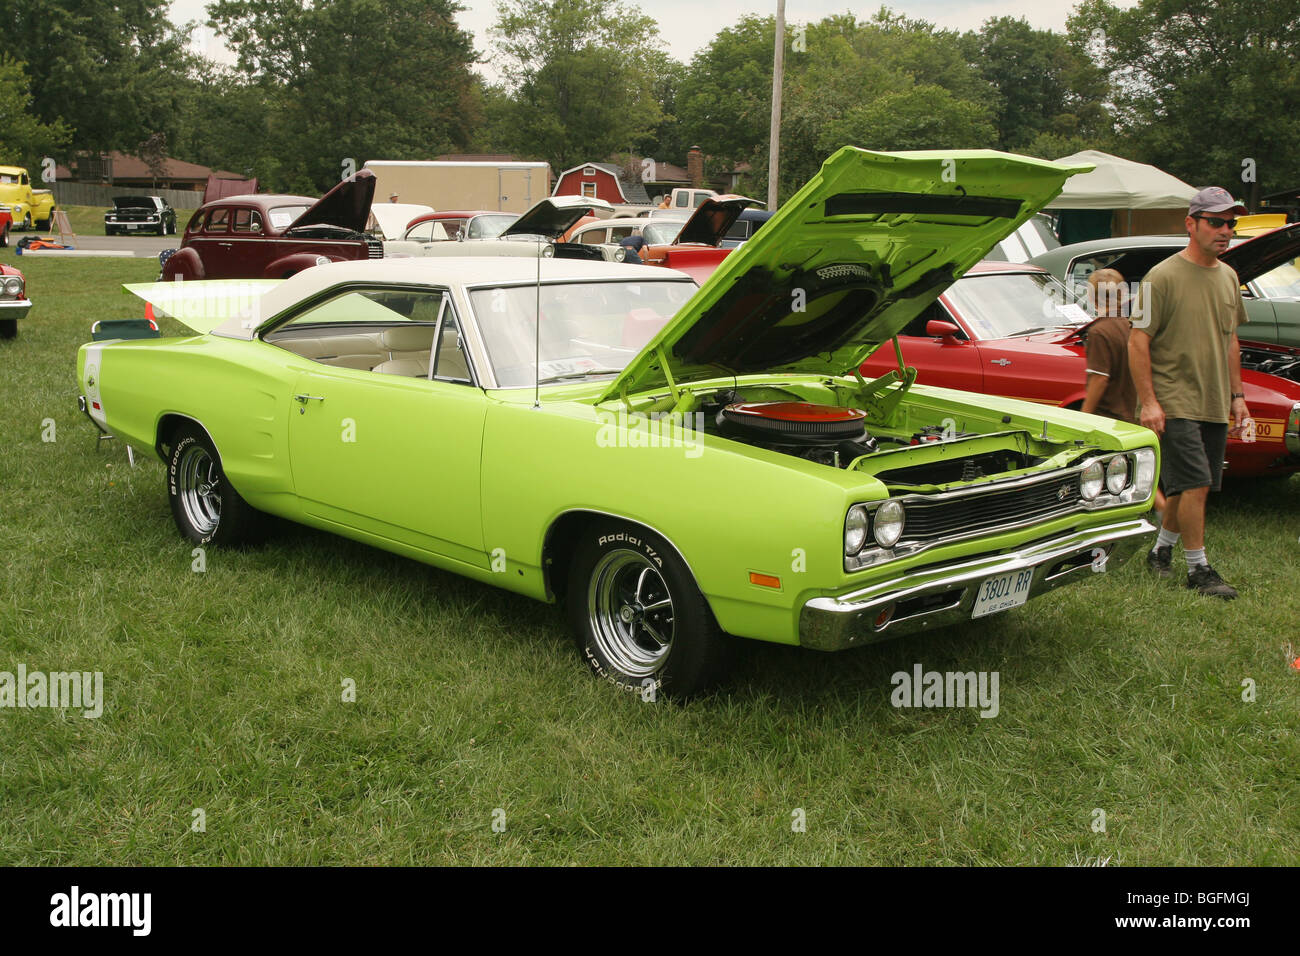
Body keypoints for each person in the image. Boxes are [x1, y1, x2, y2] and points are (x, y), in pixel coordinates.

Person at [1129, 186, 1252, 599]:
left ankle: (1160, 552)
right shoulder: (1161, 276)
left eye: (1230, 223)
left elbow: (1231, 339)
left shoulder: (1229, 276)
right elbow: (1137, 341)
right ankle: (1199, 570)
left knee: (1186, 488)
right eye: (1215, 222)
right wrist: (1149, 402)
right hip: (1173, 397)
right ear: (1191, 224)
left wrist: (1238, 397)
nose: (1225, 230)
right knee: (1197, 483)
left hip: (1214, 400)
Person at [1081, 269, 1166, 515]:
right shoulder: (1131, 327)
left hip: (1111, 418)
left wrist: (1084, 417)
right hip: (1133, 412)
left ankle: (1170, 522)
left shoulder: (1099, 332)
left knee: (1131, 476)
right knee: (1140, 473)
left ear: (1092, 297)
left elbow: (1099, 379)